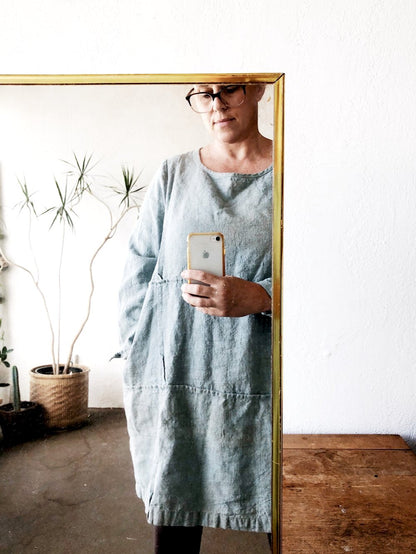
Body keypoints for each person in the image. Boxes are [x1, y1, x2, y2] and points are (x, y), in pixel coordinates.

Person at [118, 83, 273, 553]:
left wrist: (262, 295)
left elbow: (327, 275)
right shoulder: (174, 173)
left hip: (262, 377)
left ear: (258, 89)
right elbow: (139, 267)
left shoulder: (293, 171)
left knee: (284, 510)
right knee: (176, 507)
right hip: (180, 371)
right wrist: (135, 349)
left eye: (228, 90)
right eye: (203, 95)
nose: (216, 104)